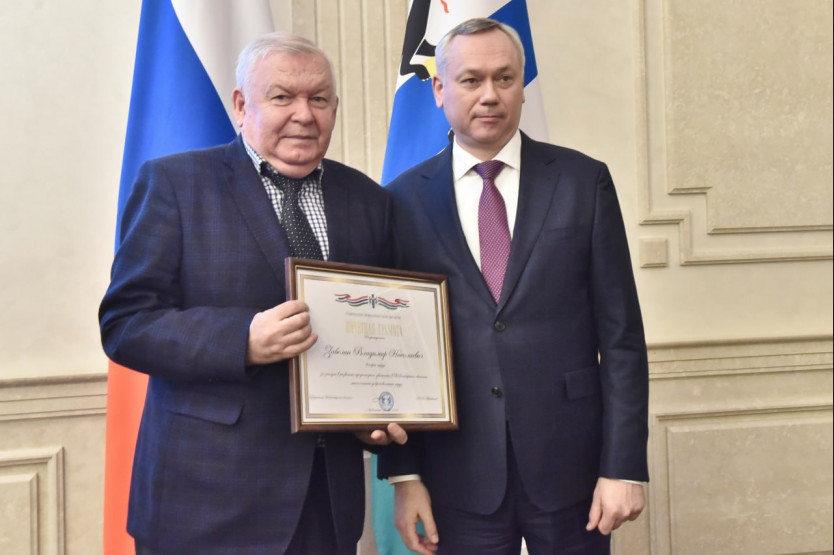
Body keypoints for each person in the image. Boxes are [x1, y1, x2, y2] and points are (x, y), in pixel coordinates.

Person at [99, 32, 406, 555]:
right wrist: (241, 339)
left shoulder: (369, 201)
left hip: (326, 504)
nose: (304, 114)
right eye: (283, 96)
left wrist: (371, 415)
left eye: (319, 98)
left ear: (334, 108)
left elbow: (380, 332)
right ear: (242, 105)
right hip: (204, 502)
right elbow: (125, 324)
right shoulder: (175, 184)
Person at [377, 18, 649, 555]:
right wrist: (405, 477)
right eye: (471, 80)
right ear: (439, 89)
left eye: (504, 78)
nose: (490, 95)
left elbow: (621, 339)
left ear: (523, 86)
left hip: (572, 471)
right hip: (456, 476)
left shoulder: (582, 181)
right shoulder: (401, 200)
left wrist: (622, 466)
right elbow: (394, 350)